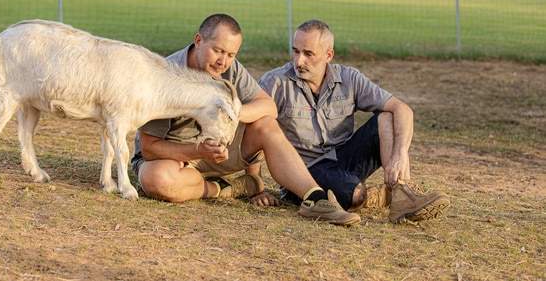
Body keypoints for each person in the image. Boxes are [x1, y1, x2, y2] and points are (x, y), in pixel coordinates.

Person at [131, 14, 360, 226]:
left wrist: (232, 112)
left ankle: (315, 199)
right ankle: (223, 189)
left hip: (218, 152)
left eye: (231, 55)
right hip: (174, 159)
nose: (223, 62)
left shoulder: (228, 68)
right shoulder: (165, 76)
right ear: (199, 41)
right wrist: (198, 151)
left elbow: (268, 106)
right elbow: (150, 149)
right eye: (218, 51)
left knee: (265, 123)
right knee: (156, 179)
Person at [259, 19, 450, 223]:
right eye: (295, 51)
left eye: (308, 54)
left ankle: (402, 193)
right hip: (305, 172)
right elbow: (256, 129)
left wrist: (400, 153)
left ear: (328, 55)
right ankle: (373, 196)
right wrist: (256, 187)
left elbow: (402, 109)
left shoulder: (349, 78)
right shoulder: (275, 82)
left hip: (344, 159)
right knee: (355, 196)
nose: (298, 61)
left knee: (386, 117)